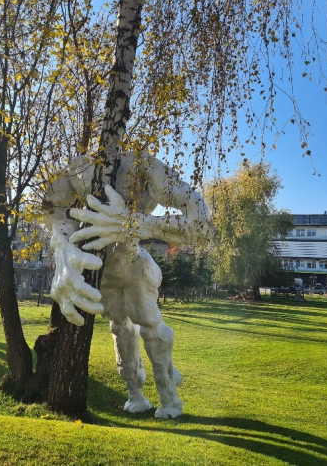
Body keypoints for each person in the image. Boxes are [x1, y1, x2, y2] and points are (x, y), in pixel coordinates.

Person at [43, 152, 210, 418]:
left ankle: (170, 399)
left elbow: (200, 222)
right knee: (120, 329)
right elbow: (56, 222)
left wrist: (133, 223)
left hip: (134, 266)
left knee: (150, 326)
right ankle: (136, 396)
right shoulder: (70, 172)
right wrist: (61, 250)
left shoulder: (141, 164)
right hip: (104, 270)